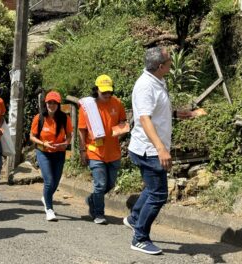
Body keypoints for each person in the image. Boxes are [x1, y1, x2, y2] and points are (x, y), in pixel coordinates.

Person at [123, 47, 195, 255]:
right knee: (159, 194)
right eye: (169, 61)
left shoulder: (157, 80)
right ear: (160, 66)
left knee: (152, 189)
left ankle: (135, 218)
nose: (172, 63)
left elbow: (157, 112)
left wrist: (184, 114)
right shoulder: (146, 86)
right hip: (149, 149)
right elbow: (144, 119)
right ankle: (140, 238)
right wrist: (161, 148)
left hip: (151, 147)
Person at [79, 74, 128, 225]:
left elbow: (123, 121)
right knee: (100, 184)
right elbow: (82, 130)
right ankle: (98, 213)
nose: (107, 95)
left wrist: (121, 130)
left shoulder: (117, 103)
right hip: (95, 151)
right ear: (96, 90)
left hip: (113, 151)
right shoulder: (88, 107)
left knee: (110, 184)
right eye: (103, 92)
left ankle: (92, 199)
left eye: (109, 92)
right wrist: (82, 151)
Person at [29, 91, 72, 221]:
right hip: (43, 152)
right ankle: (49, 209)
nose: (51, 105)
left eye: (54, 103)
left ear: (58, 104)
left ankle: (46, 197)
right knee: (49, 181)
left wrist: (65, 144)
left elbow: (69, 135)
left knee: (56, 181)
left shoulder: (65, 118)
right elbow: (31, 137)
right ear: (45, 103)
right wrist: (43, 143)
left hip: (59, 152)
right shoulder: (39, 118)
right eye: (49, 102)